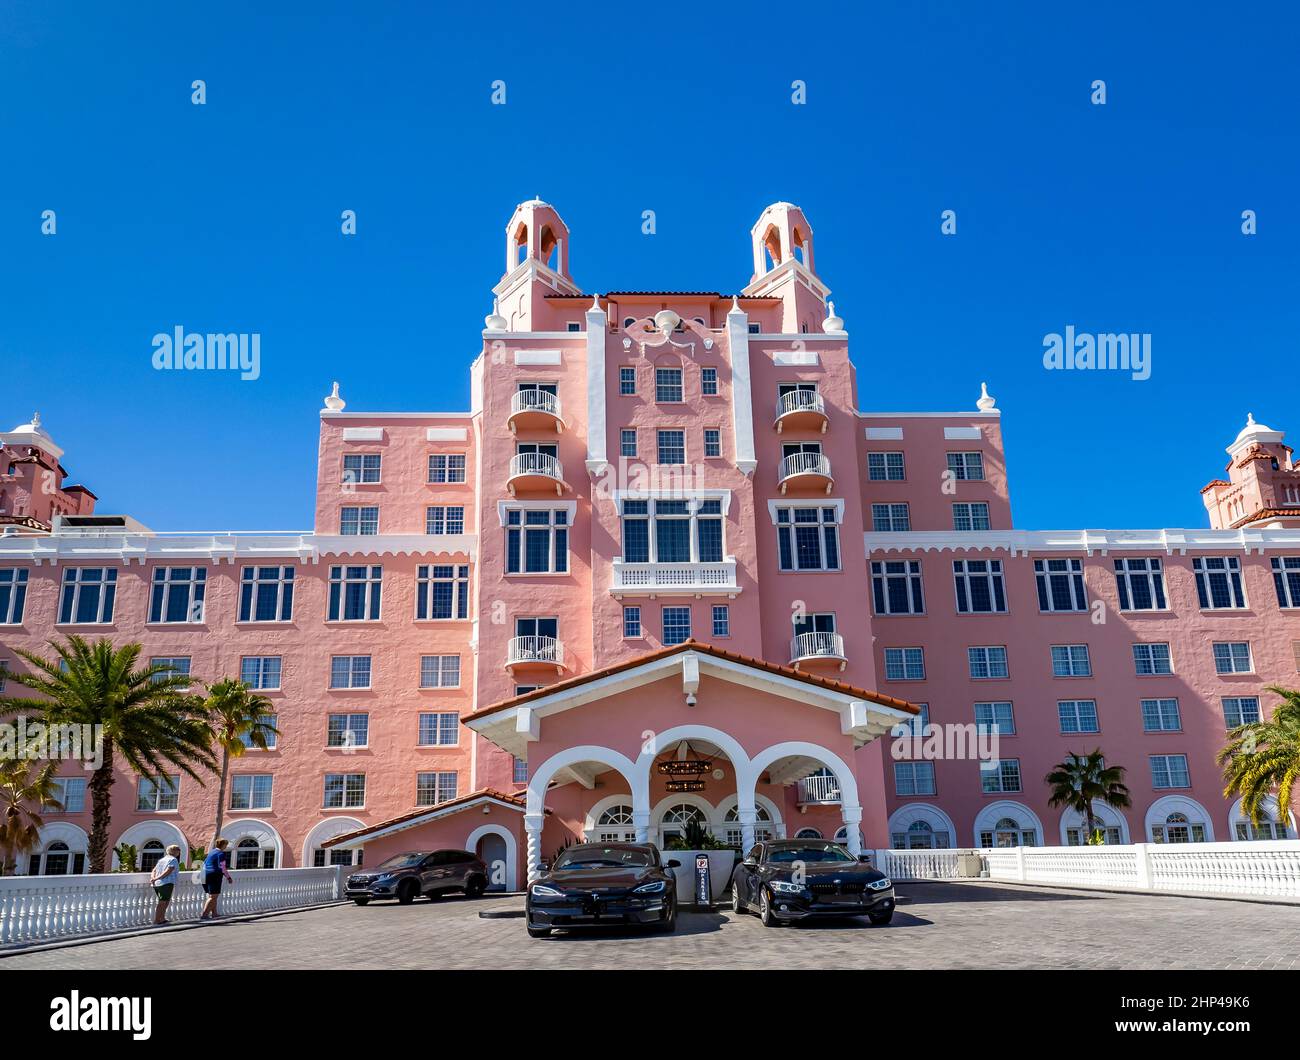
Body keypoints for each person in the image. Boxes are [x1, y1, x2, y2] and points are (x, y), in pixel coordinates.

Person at [200, 838, 234, 920]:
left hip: (204, 874)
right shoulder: (220, 854)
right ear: (223, 845)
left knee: (212, 895)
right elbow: (222, 867)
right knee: (213, 896)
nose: (226, 846)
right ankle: (204, 914)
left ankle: (214, 913)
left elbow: (204, 864)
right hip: (214, 875)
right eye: (226, 845)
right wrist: (228, 877)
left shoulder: (211, 852)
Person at [149, 844, 182, 925]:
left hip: (157, 884)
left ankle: (162, 918)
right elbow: (169, 871)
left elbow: (154, 870)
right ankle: (157, 920)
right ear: (175, 851)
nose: (179, 852)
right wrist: (156, 878)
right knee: (163, 902)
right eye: (178, 850)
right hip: (166, 883)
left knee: (165, 901)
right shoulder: (173, 859)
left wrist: (153, 878)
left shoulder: (162, 859)